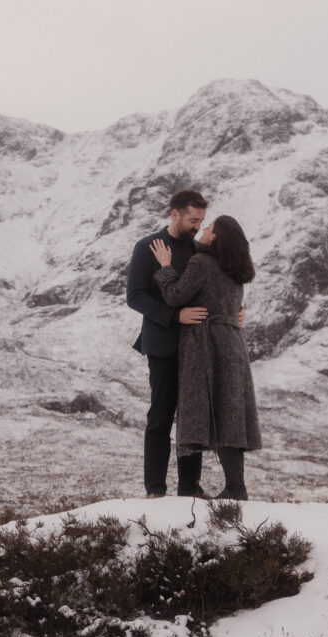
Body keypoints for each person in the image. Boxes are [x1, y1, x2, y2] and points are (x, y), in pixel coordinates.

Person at [148, 215, 261, 500]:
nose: (204, 230)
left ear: (216, 237)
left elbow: (175, 295)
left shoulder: (202, 263)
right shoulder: (236, 272)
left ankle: (231, 489)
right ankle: (236, 486)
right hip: (233, 345)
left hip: (206, 347)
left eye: (209, 228)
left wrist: (164, 266)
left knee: (213, 414)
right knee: (231, 415)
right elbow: (230, 305)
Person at [126, 190, 210, 499]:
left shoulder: (200, 250)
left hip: (196, 347)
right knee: (160, 416)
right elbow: (134, 296)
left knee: (193, 419)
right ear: (174, 214)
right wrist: (176, 316)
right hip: (162, 345)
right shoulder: (147, 247)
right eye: (193, 220)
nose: (197, 226)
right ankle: (155, 490)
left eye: (201, 221)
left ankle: (189, 489)